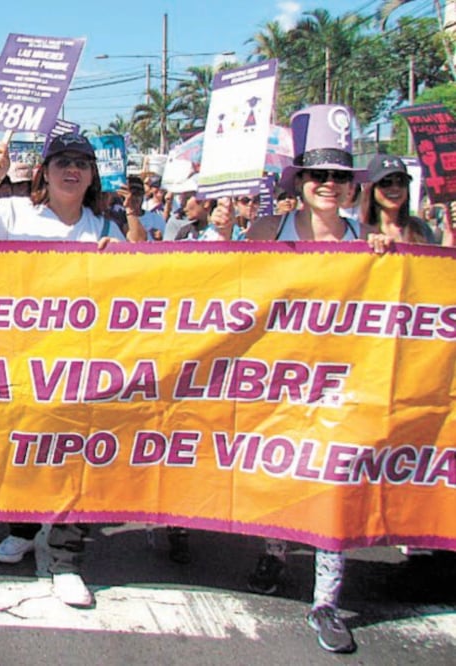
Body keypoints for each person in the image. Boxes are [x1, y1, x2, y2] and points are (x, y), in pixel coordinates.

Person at [0, 132, 123, 609]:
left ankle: (65, 560)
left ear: (92, 175)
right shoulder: (13, 214)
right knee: (25, 449)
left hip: (81, 363)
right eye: (62, 162)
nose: (72, 170)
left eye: (82, 163)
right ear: (43, 172)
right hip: (20, 358)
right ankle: (26, 527)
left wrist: (121, 257)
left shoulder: (100, 225)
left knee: (76, 454)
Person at [245, 104, 378, 654]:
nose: (329, 185)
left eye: (340, 177)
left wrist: (389, 260)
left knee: (333, 478)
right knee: (282, 466)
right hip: (277, 376)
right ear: (299, 182)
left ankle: (326, 599)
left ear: (351, 188)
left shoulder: (367, 241)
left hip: (344, 381)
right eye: (319, 175)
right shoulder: (265, 231)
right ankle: (275, 552)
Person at [362, 154, 452, 246]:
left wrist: (450, 233)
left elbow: (438, 259)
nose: (395, 188)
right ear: (371, 188)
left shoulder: (420, 228)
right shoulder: (359, 230)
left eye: (401, 181)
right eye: (386, 182)